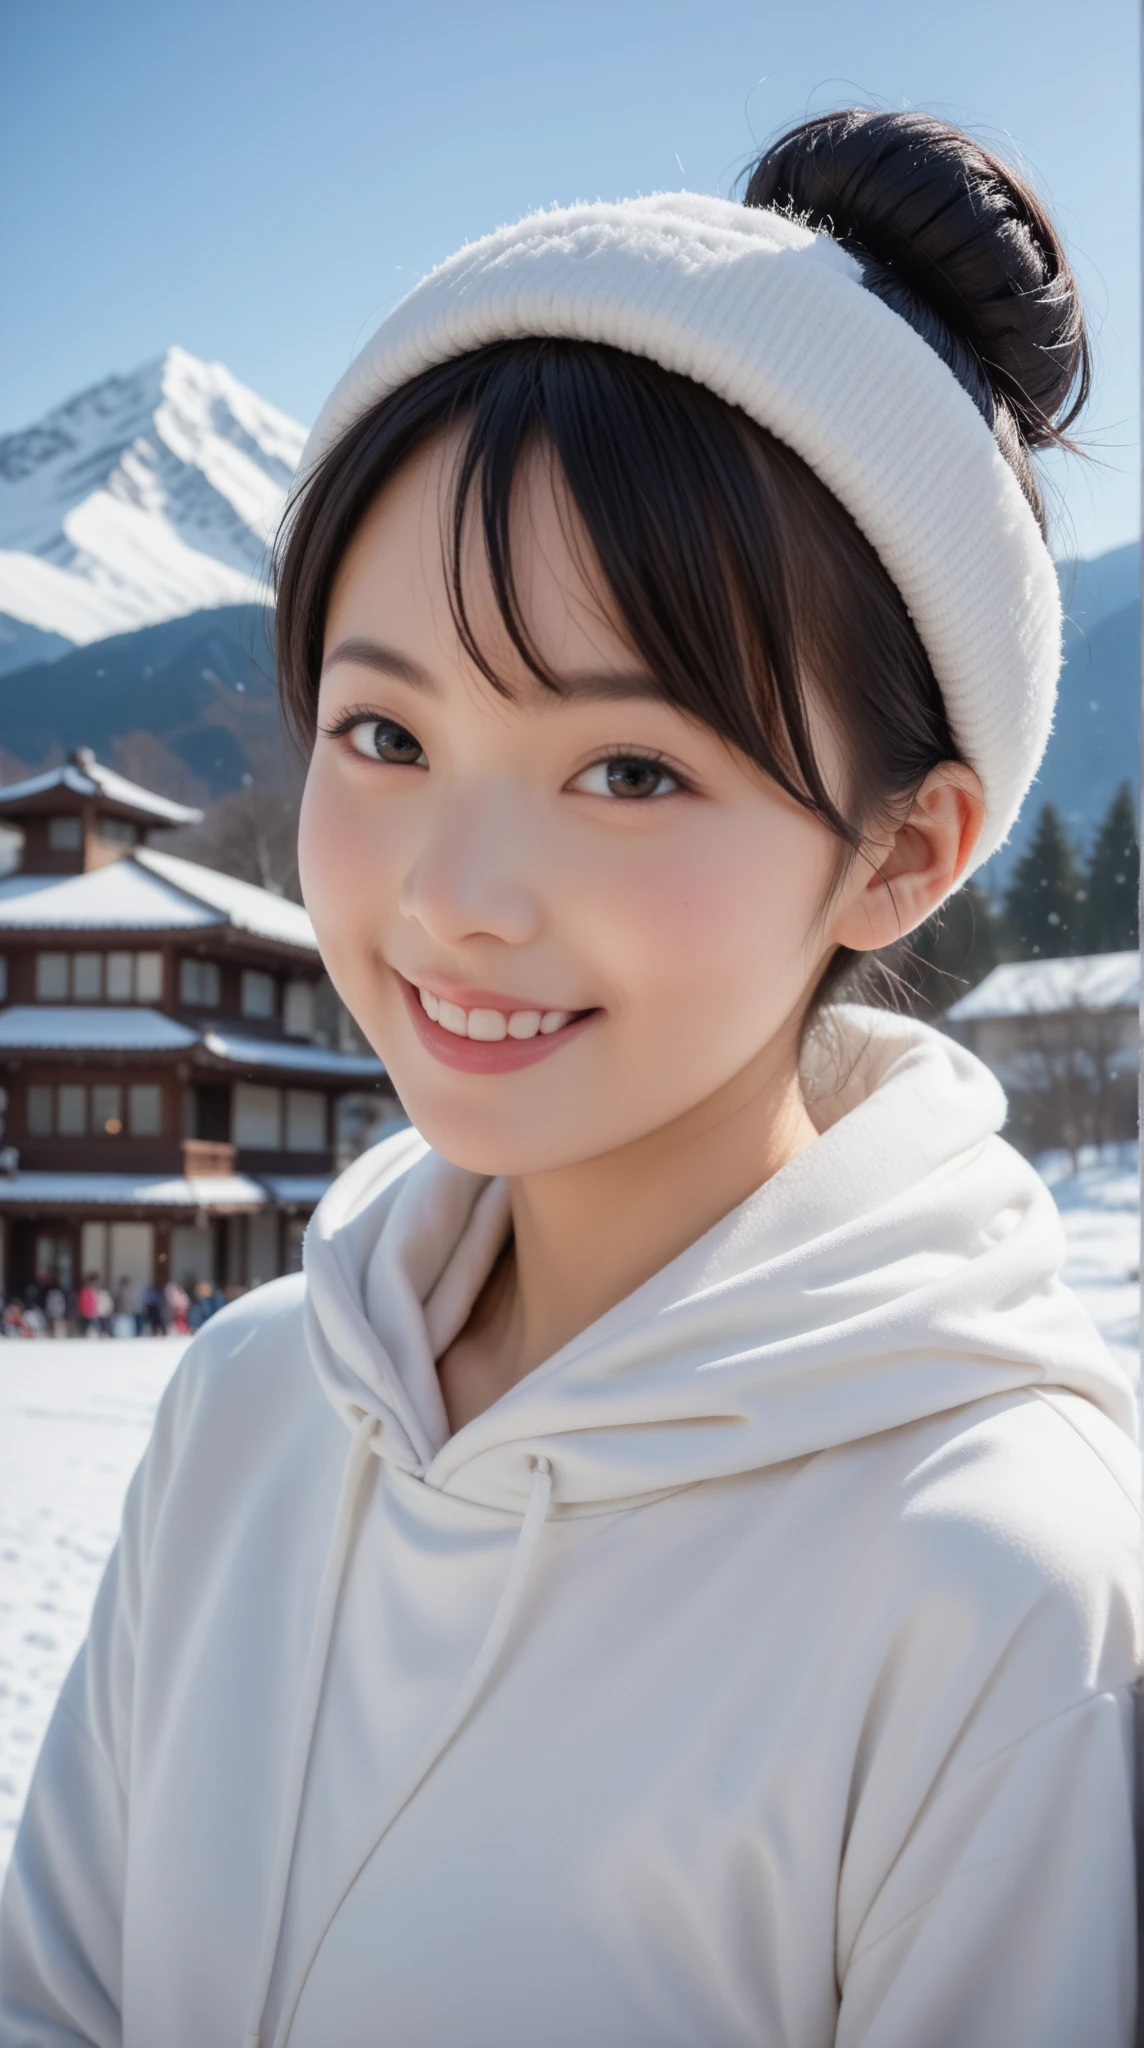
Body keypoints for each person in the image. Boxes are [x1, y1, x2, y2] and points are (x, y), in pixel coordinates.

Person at [0, 109, 1138, 2047]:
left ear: (898, 851)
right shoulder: (250, 1413)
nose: (452, 897)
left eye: (625, 771)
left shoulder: (997, 1596)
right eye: (381, 730)